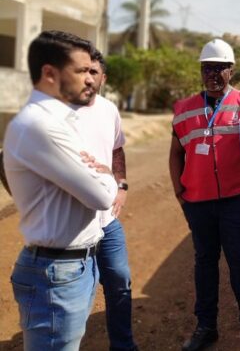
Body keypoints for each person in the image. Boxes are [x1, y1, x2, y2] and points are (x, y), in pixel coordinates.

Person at [3, 30, 118, 350]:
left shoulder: (56, 121)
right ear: (50, 74)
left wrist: (100, 175)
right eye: (80, 70)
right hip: (56, 272)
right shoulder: (43, 126)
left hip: (71, 266)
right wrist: (107, 176)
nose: (90, 79)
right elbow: (101, 196)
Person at [169, 38, 240, 351]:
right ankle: (206, 326)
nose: (213, 73)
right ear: (201, 71)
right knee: (204, 264)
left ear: (231, 70)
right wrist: (179, 193)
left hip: (237, 200)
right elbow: (176, 154)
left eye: (219, 68)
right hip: (198, 203)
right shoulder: (184, 109)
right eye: (207, 68)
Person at [73, 49, 138, 351]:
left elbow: (116, 150)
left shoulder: (109, 110)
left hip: (107, 223)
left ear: (103, 78)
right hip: (74, 226)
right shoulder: (58, 112)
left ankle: (122, 346)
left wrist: (121, 185)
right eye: (81, 70)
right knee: (78, 298)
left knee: (119, 282)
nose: (87, 77)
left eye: (94, 72)